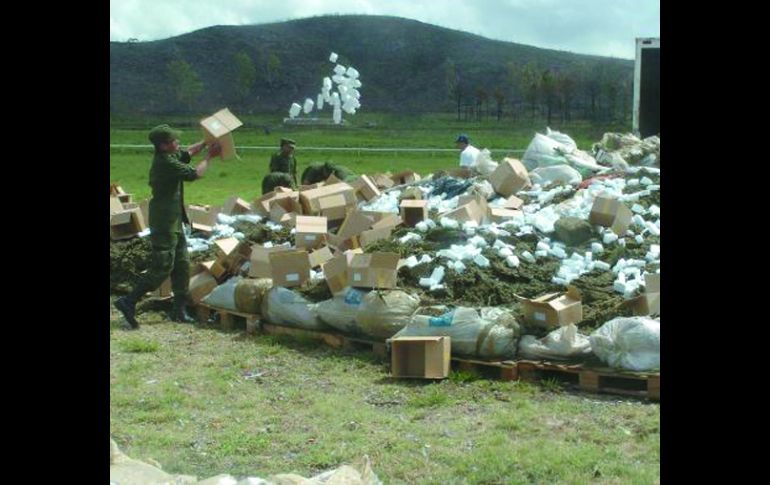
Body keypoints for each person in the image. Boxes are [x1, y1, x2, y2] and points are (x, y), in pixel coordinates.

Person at [114, 124, 221, 329]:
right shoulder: (165, 163)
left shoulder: (170, 156)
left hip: (174, 220)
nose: (177, 143)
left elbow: (188, 152)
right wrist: (210, 157)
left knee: (181, 264)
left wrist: (206, 142)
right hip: (164, 221)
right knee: (163, 266)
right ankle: (129, 301)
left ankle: (178, 310)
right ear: (164, 146)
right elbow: (194, 174)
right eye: (174, 141)